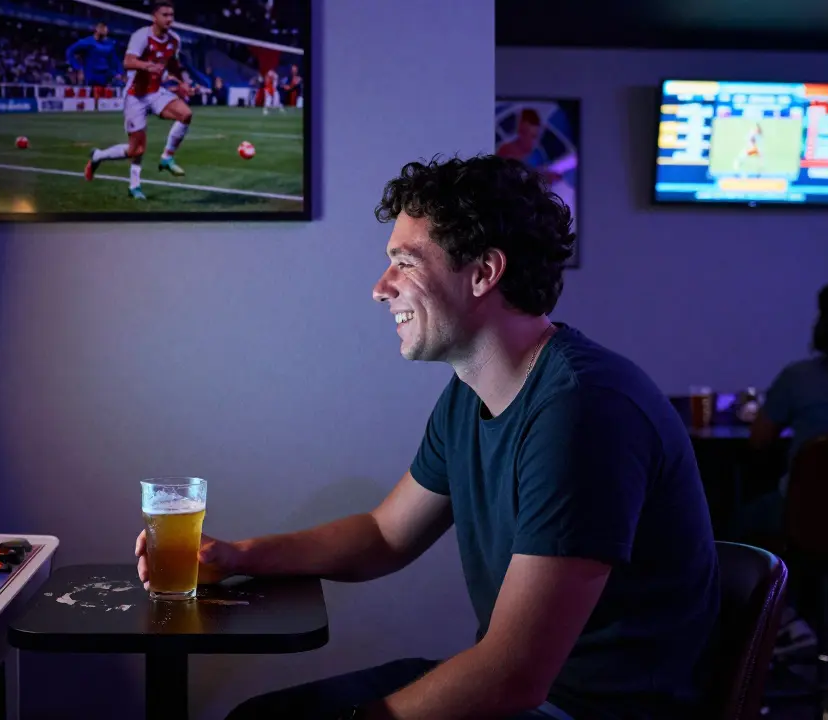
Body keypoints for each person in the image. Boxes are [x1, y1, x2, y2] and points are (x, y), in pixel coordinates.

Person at [135, 155, 720, 719]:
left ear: (484, 273)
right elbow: (384, 534)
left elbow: (514, 674)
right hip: (524, 691)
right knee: (262, 716)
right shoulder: (471, 393)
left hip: (583, 709)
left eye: (406, 263)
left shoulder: (583, 410)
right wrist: (238, 557)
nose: (380, 287)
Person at [740, 273, 828, 655]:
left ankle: (787, 620)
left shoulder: (800, 378)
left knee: (729, 533)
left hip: (808, 517)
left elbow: (760, 440)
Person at [84, 0, 194, 200]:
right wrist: (148, 66)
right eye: (165, 15)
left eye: (172, 15)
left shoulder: (175, 40)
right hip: (136, 95)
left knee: (186, 114)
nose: (170, 19)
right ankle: (100, 158)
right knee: (137, 149)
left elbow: (174, 64)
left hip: (155, 91)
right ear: (155, 17)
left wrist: (182, 83)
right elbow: (128, 62)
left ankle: (167, 158)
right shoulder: (141, 36)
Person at [66, 22, 120, 91]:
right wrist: (77, 67)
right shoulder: (87, 42)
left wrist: (117, 73)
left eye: (105, 32)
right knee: (89, 99)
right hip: (90, 76)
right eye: (102, 30)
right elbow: (69, 51)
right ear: (96, 30)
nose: (104, 33)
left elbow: (114, 60)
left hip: (105, 77)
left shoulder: (110, 44)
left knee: (105, 100)